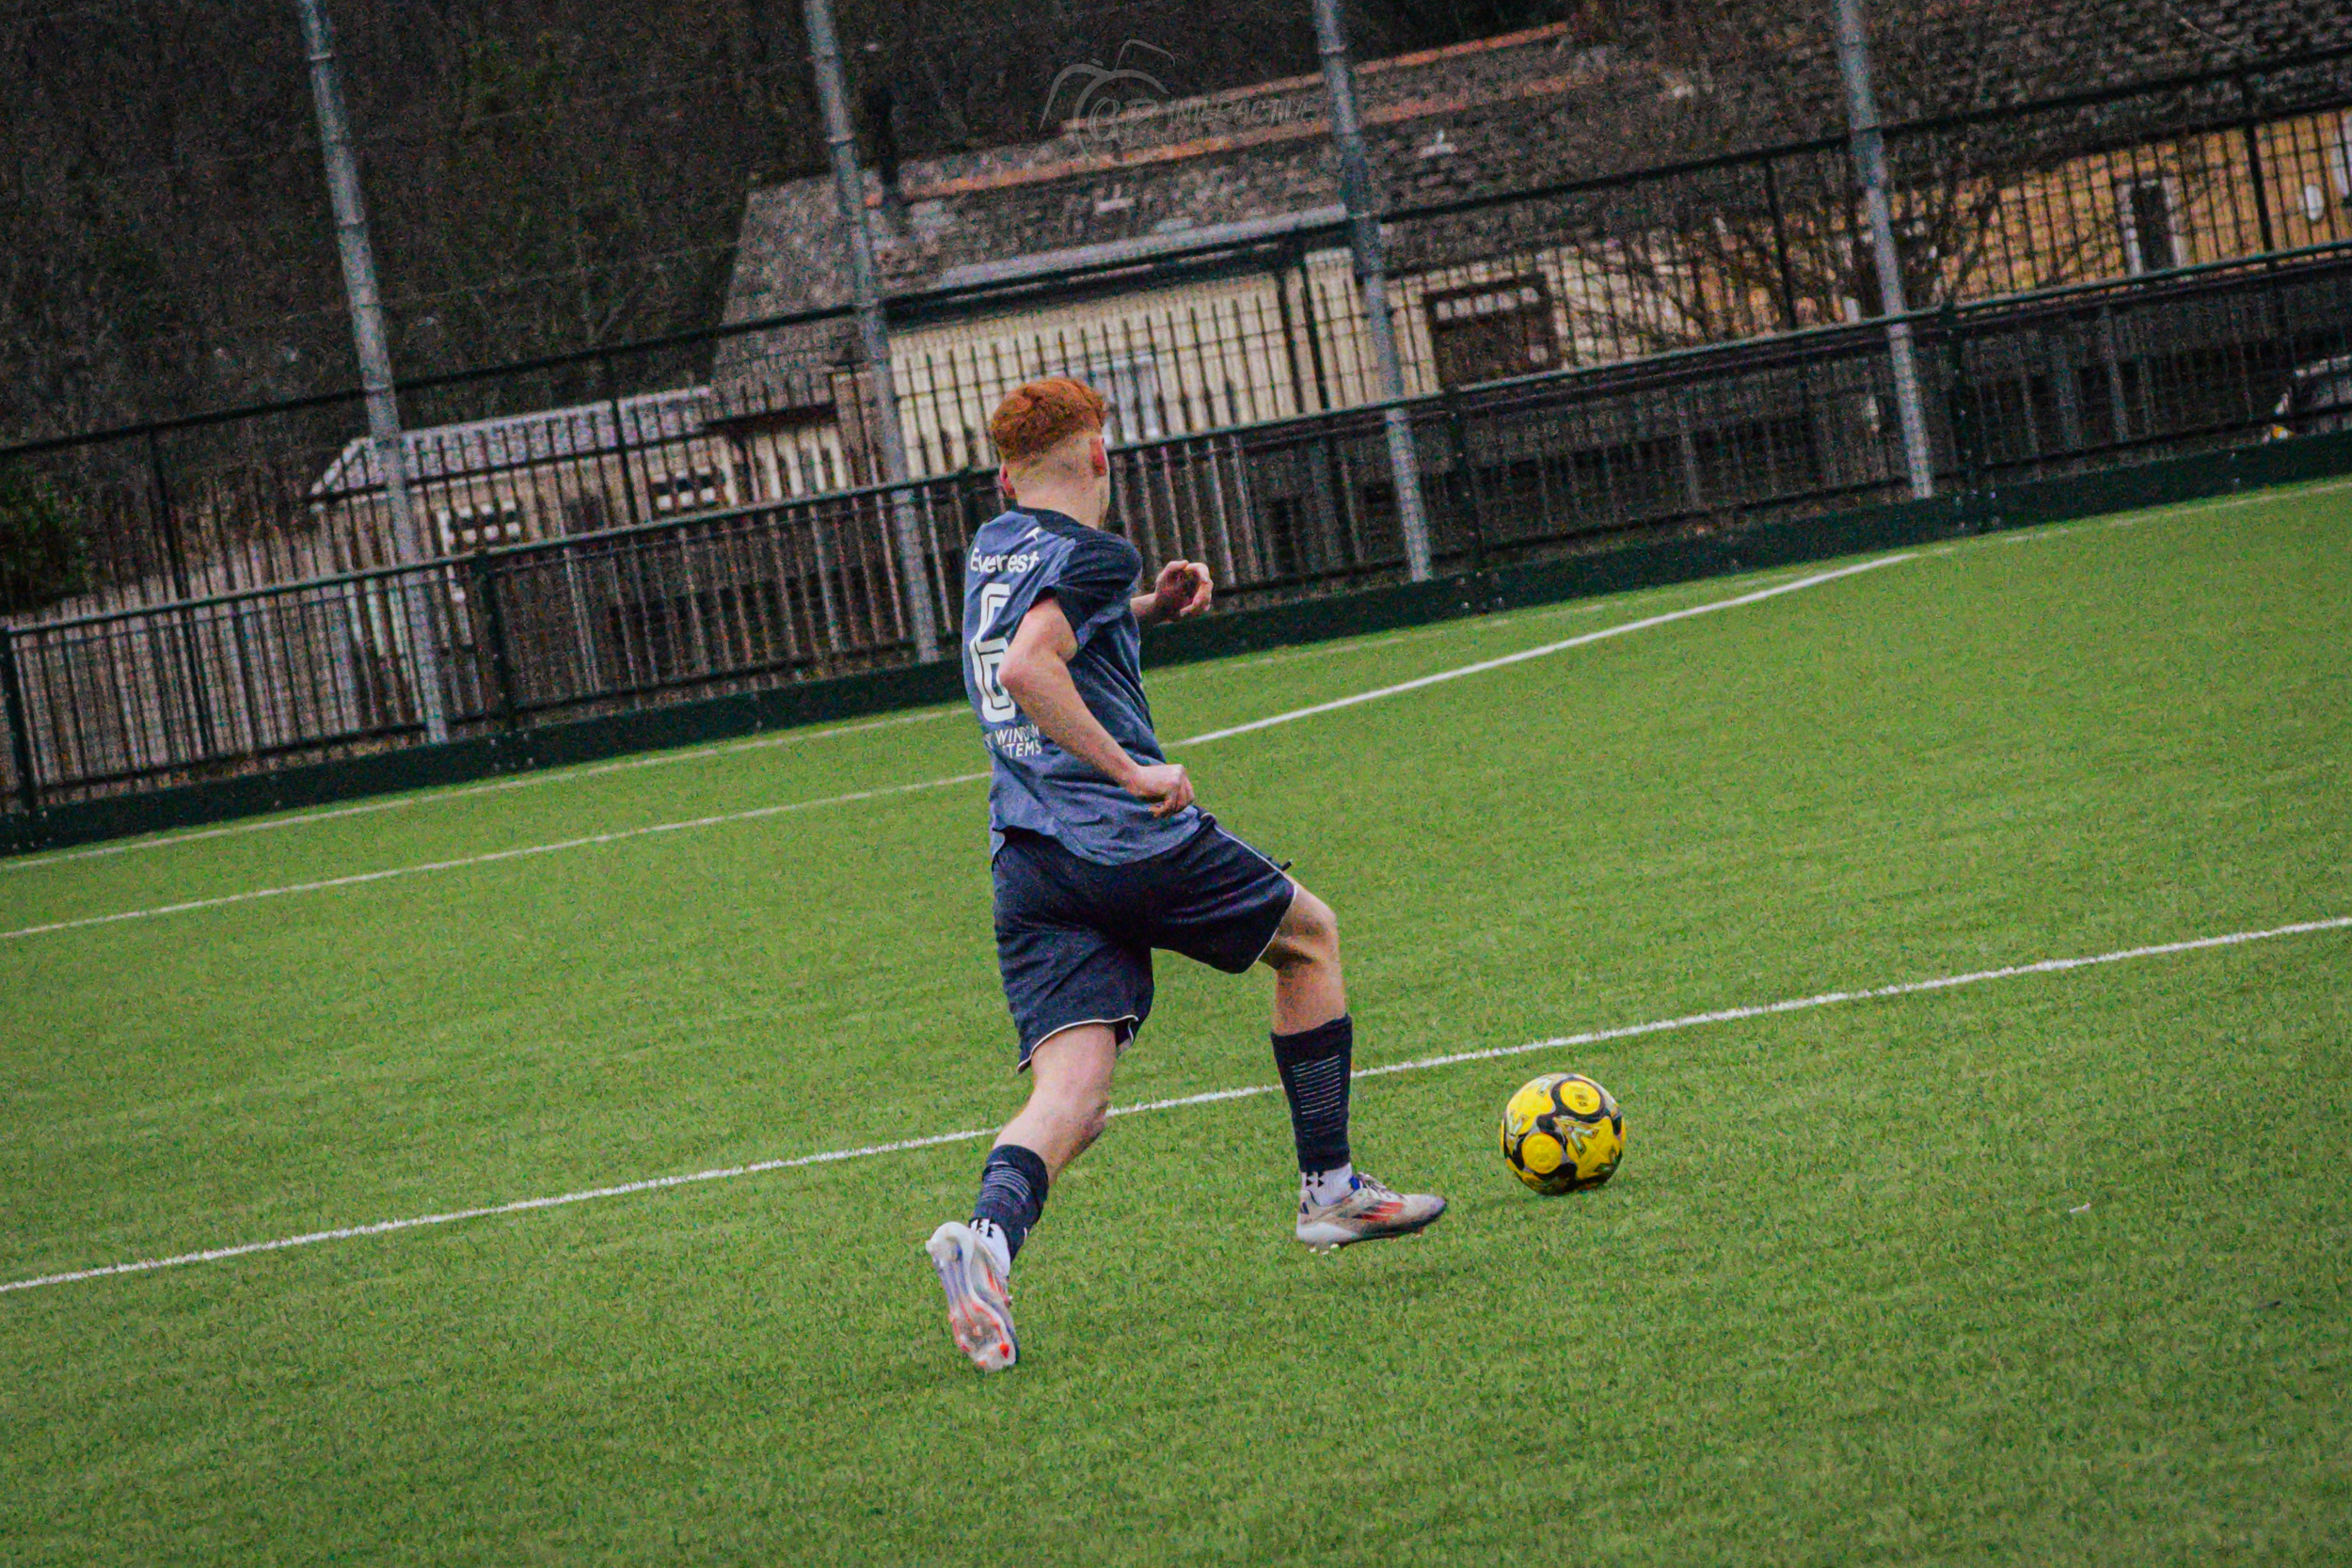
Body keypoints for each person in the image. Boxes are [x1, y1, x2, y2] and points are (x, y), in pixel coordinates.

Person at [924, 377, 1446, 1372]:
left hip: (1028, 858)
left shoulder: (993, 547)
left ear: (1005, 475)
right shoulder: (1092, 548)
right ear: (1100, 457)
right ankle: (1329, 1186)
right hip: (1124, 838)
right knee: (1309, 936)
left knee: (1072, 1095)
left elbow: (1042, 632)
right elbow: (1035, 669)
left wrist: (1141, 609)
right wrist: (1132, 768)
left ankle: (985, 1244)